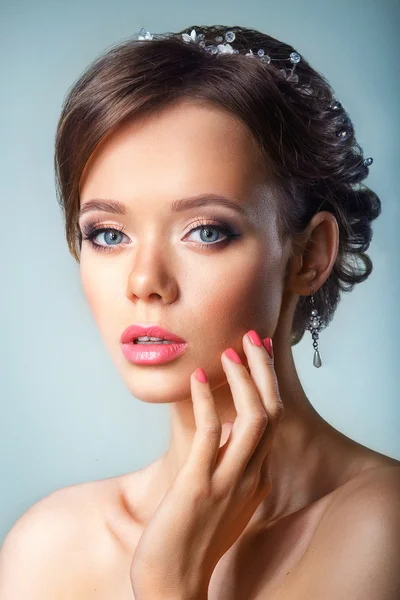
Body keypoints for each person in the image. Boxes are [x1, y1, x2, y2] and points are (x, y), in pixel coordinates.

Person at [1, 24, 399, 599]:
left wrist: (169, 583)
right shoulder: (50, 547)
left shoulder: (382, 531)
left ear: (309, 256)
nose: (145, 281)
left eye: (206, 231)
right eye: (108, 234)